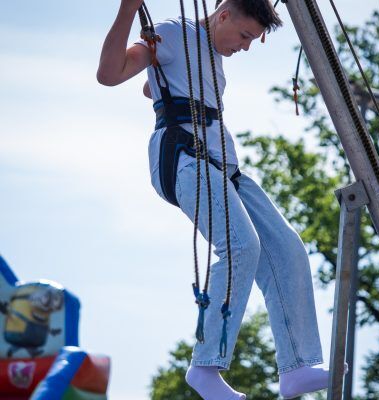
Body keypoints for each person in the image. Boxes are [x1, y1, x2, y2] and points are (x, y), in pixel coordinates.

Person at [97, 1, 346, 399]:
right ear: (224, 14)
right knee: (241, 246)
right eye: (245, 36)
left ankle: (298, 367)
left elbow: (151, 85)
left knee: (287, 248)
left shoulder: (205, 52)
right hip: (184, 157)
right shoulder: (173, 32)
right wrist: (128, 12)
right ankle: (205, 367)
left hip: (222, 164)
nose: (245, 47)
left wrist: (161, 78)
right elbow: (110, 75)